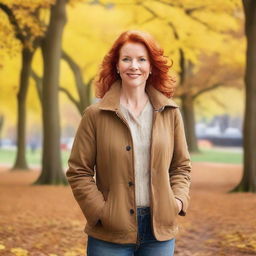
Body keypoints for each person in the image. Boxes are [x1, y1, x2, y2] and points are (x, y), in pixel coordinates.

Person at [66, 30, 192, 256]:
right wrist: (101, 212)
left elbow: (181, 166)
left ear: (151, 66)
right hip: (110, 233)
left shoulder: (170, 113)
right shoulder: (95, 115)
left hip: (159, 233)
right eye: (126, 59)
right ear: (116, 66)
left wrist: (178, 201)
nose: (134, 66)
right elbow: (79, 171)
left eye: (141, 59)